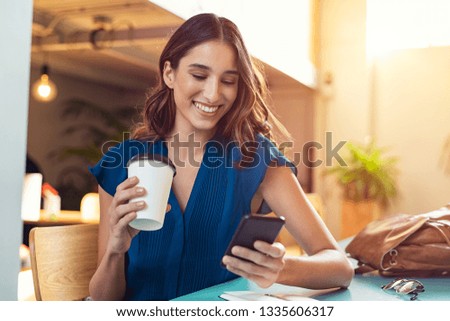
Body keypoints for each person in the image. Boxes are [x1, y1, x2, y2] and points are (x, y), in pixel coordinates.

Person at [88, 13, 353, 301]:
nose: (213, 94)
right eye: (199, 75)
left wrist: (281, 268)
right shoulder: (121, 163)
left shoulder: (255, 158)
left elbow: (339, 267)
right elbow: (104, 302)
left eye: (228, 80)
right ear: (169, 73)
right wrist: (115, 250)